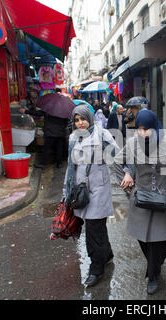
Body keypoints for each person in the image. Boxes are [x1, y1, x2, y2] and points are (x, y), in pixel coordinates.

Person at [114, 109, 166, 295]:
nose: (142, 133)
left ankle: (153, 274)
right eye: (139, 129)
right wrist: (128, 177)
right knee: (143, 238)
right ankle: (154, 267)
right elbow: (117, 161)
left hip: (161, 198)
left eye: (146, 129)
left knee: (159, 242)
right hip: (141, 198)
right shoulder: (132, 143)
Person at [63, 105, 118, 287]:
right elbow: (71, 167)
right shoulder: (73, 138)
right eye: (76, 120)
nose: (80, 123)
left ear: (90, 118)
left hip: (99, 189)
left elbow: (116, 156)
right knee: (96, 227)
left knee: (94, 229)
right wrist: (67, 190)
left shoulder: (102, 134)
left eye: (83, 119)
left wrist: (127, 174)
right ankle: (107, 255)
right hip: (80, 191)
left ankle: (96, 269)